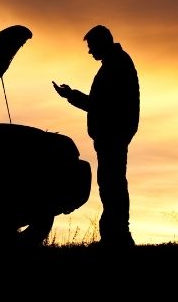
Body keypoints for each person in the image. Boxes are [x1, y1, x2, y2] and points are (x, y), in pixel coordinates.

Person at [53, 25, 139, 248]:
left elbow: (100, 105)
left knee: (112, 185)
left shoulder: (117, 66)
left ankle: (118, 236)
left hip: (113, 135)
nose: (90, 52)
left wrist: (70, 96)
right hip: (112, 134)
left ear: (102, 43)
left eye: (91, 47)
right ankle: (115, 235)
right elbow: (99, 104)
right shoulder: (114, 64)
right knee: (111, 184)